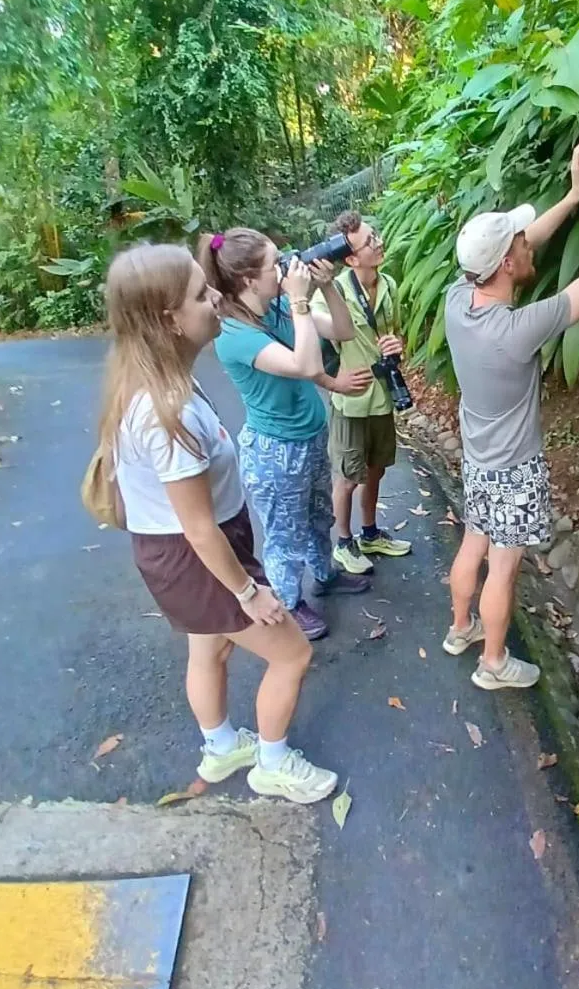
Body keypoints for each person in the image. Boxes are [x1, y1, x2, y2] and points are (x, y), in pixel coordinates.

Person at [100, 242, 336, 802]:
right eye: (199, 295)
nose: (213, 300)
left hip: (188, 551)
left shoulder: (165, 381)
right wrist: (249, 591)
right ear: (169, 321)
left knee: (210, 647)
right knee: (292, 652)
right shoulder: (168, 410)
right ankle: (273, 763)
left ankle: (221, 745)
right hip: (199, 556)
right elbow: (199, 528)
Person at [443, 136, 579, 690]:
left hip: (478, 459)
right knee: (503, 564)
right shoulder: (517, 330)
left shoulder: (460, 299)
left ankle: (460, 629)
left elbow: (517, 247)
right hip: (514, 469)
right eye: (520, 244)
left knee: (475, 538)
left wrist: (575, 196)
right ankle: (494, 663)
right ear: (506, 262)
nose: (530, 246)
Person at [199, 228, 372, 642]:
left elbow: (344, 331)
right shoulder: (233, 335)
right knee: (284, 536)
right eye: (273, 264)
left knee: (319, 517)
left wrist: (327, 288)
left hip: (310, 436)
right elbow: (308, 365)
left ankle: (325, 574)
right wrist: (298, 299)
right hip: (276, 451)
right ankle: (290, 603)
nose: (284, 268)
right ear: (246, 279)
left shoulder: (276, 307)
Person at [311, 210, 412, 576]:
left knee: (376, 470)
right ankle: (343, 542)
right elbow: (321, 337)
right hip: (352, 400)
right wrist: (335, 381)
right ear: (350, 258)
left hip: (382, 395)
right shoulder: (332, 294)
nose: (379, 242)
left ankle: (369, 533)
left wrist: (396, 346)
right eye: (370, 241)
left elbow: (395, 334)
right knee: (348, 477)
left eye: (376, 235)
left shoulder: (390, 286)